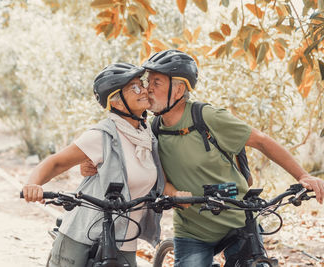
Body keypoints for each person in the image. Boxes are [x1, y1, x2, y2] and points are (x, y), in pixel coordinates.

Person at [81, 50, 324, 267]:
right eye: (148, 81)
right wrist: (94, 163)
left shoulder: (207, 117)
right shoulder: (151, 130)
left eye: (156, 82)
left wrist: (302, 175)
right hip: (193, 230)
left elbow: (262, 141)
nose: (148, 88)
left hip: (237, 219)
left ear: (178, 89)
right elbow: (134, 162)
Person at [22, 62, 165, 267]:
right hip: (83, 236)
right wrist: (32, 185)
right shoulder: (102, 136)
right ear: (117, 103)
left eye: (140, 84)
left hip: (125, 243)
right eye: (134, 87)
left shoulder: (147, 135)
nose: (143, 90)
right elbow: (56, 163)